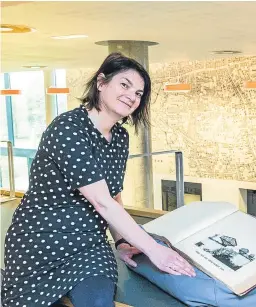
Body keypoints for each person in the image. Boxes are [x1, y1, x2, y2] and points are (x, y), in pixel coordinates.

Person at [0, 52, 196, 307]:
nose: (132, 96)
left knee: (99, 302)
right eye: (125, 85)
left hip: (88, 247)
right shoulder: (68, 128)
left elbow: (113, 196)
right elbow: (101, 201)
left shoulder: (120, 138)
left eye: (138, 93)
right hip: (40, 243)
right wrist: (155, 251)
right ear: (101, 82)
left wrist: (123, 241)